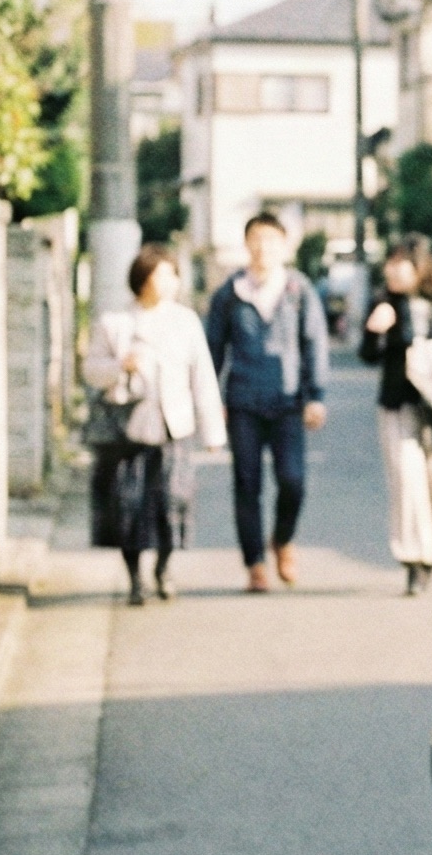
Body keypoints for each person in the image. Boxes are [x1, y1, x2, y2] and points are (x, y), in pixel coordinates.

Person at [84, 245, 227, 606]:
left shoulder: (186, 321)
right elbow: (90, 371)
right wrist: (119, 367)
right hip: (127, 428)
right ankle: (135, 579)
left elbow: (203, 378)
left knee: (172, 500)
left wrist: (213, 432)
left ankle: (164, 567)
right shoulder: (114, 322)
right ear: (143, 279)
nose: (170, 282)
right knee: (128, 504)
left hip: (173, 427)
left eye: (173, 275)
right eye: (163, 274)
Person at [205, 212, 330, 592]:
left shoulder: (298, 290)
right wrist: (211, 401)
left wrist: (316, 396)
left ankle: (283, 539)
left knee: (293, 481)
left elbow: (315, 343)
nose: (263, 248)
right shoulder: (229, 294)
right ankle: (255, 563)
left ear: (283, 245)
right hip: (243, 401)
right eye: (256, 239)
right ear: (246, 244)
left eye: (271, 240)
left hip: (288, 401)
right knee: (247, 483)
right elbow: (212, 350)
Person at [359, 239, 432, 596]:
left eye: (399, 263)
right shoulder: (384, 303)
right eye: (389, 263)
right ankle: (413, 560)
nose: (391, 270)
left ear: (419, 266)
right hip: (398, 404)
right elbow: (368, 356)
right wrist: (375, 331)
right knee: (408, 483)